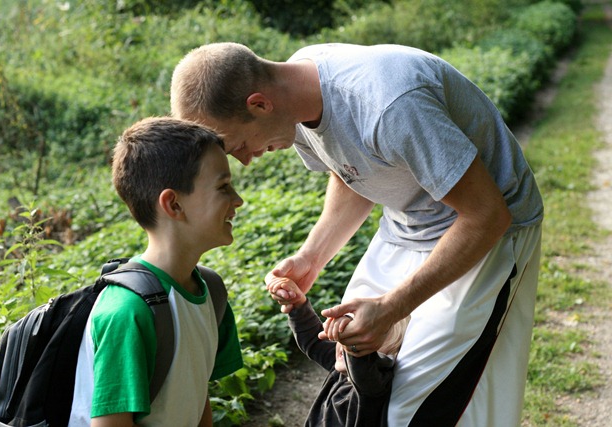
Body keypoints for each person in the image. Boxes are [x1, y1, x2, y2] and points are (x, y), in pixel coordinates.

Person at [170, 42, 544, 427]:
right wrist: (312, 256)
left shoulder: (390, 104)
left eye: (238, 146)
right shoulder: (294, 103)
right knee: (357, 373)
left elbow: (487, 215)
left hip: (488, 234)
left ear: (259, 104)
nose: (246, 160)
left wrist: (393, 306)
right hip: (406, 226)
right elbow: (352, 169)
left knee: (415, 407)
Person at [68, 117, 244, 427]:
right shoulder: (127, 312)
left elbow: (195, 395)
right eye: (223, 187)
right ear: (173, 204)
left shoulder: (211, 290)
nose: (238, 200)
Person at [266, 273, 409, 427]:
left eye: (358, 336)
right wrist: (298, 304)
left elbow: (362, 367)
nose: (344, 341)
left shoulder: (374, 385)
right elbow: (314, 342)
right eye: (347, 332)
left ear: (390, 356)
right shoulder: (342, 367)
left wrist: (353, 344)